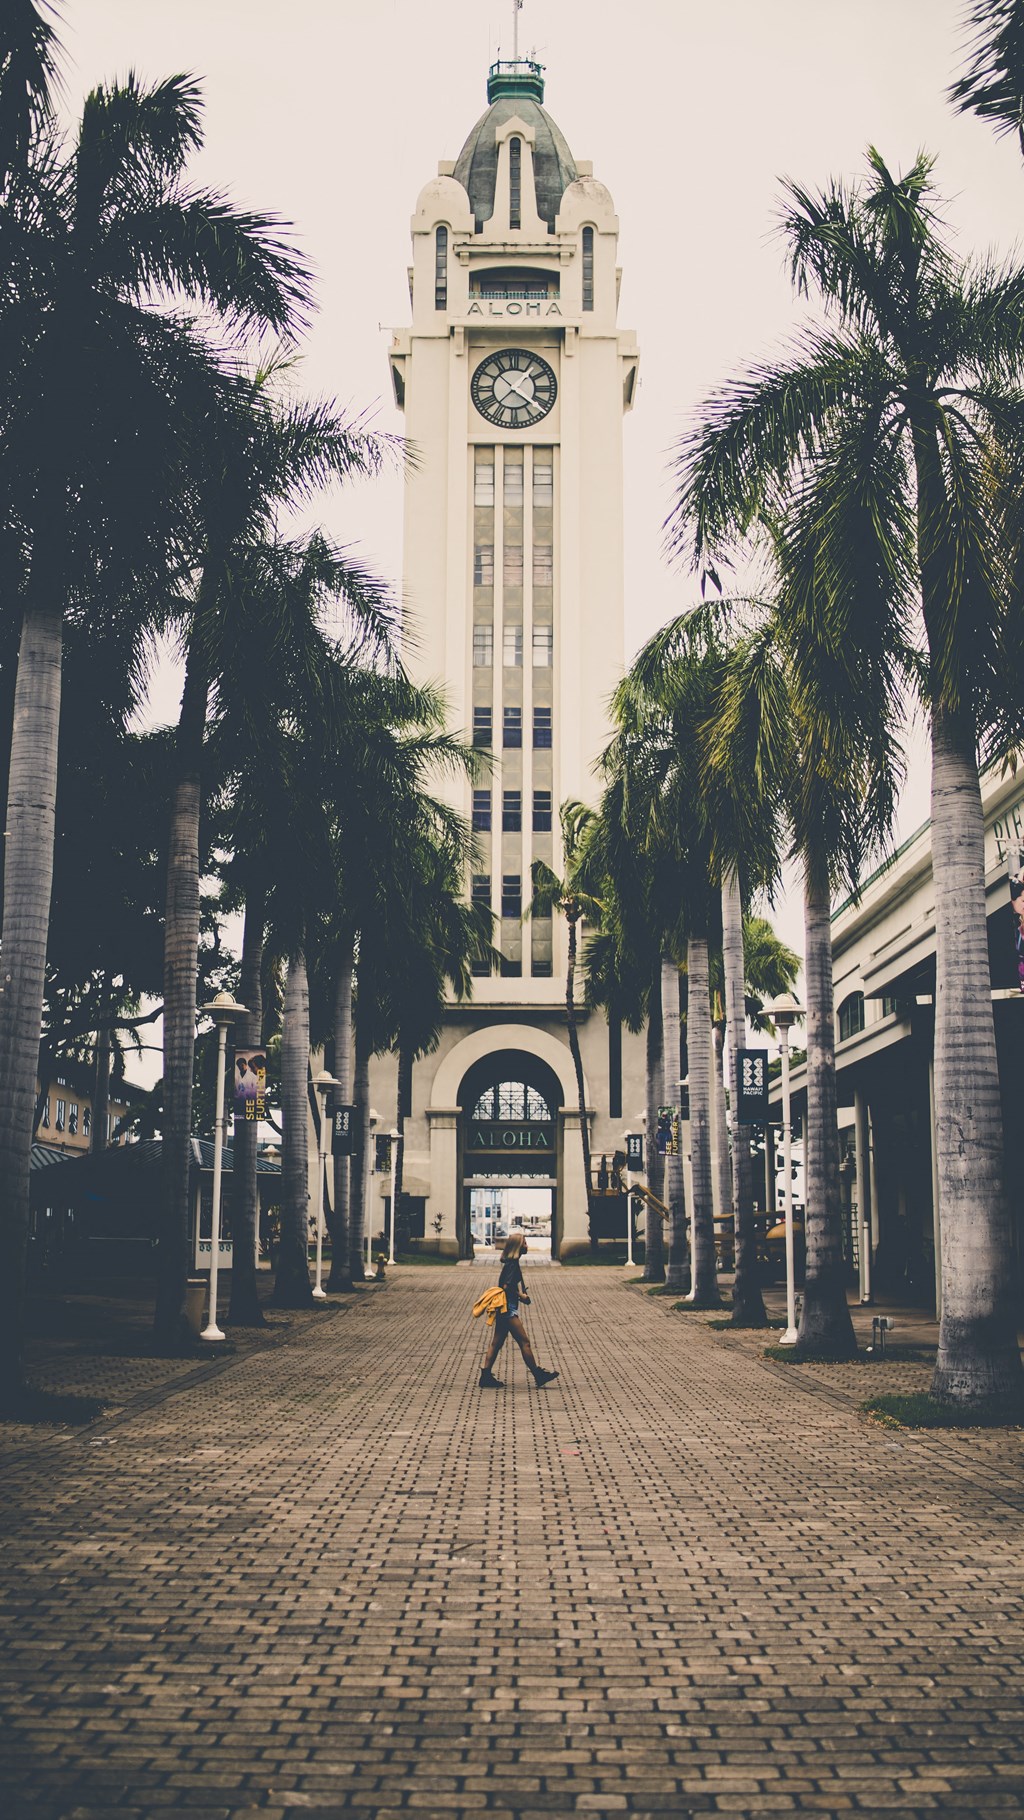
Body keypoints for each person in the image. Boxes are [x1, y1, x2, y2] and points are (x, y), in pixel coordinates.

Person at [479, 1232, 558, 1389]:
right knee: (524, 1342)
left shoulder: (510, 1263)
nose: (527, 1246)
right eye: (525, 1243)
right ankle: (538, 1374)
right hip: (508, 1309)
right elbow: (507, 1287)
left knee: (496, 1343)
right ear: (518, 1247)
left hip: (504, 1308)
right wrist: (521, 1296)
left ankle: (486, 1375)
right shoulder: (512, 1265)